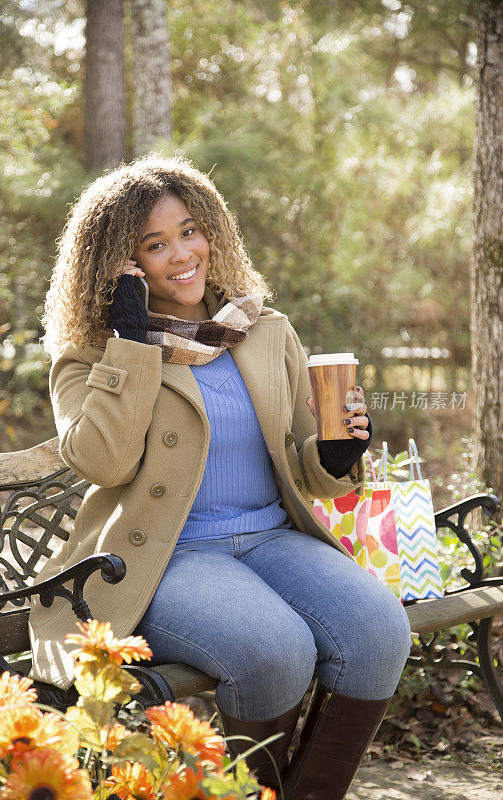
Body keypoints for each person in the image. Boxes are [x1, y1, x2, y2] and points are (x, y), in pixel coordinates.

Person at [31, 153, 412, 800]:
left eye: (189, 230)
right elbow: (102, 461)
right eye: (154, 244)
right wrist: (129, 345)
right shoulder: (93, 356)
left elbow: (308, 468)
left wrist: (338, 455)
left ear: (211, 230)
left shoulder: (260, 331)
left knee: (380, 631)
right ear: (120, 265)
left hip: (270, 538)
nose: (182, 253)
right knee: (274, 650)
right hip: (166, 556)